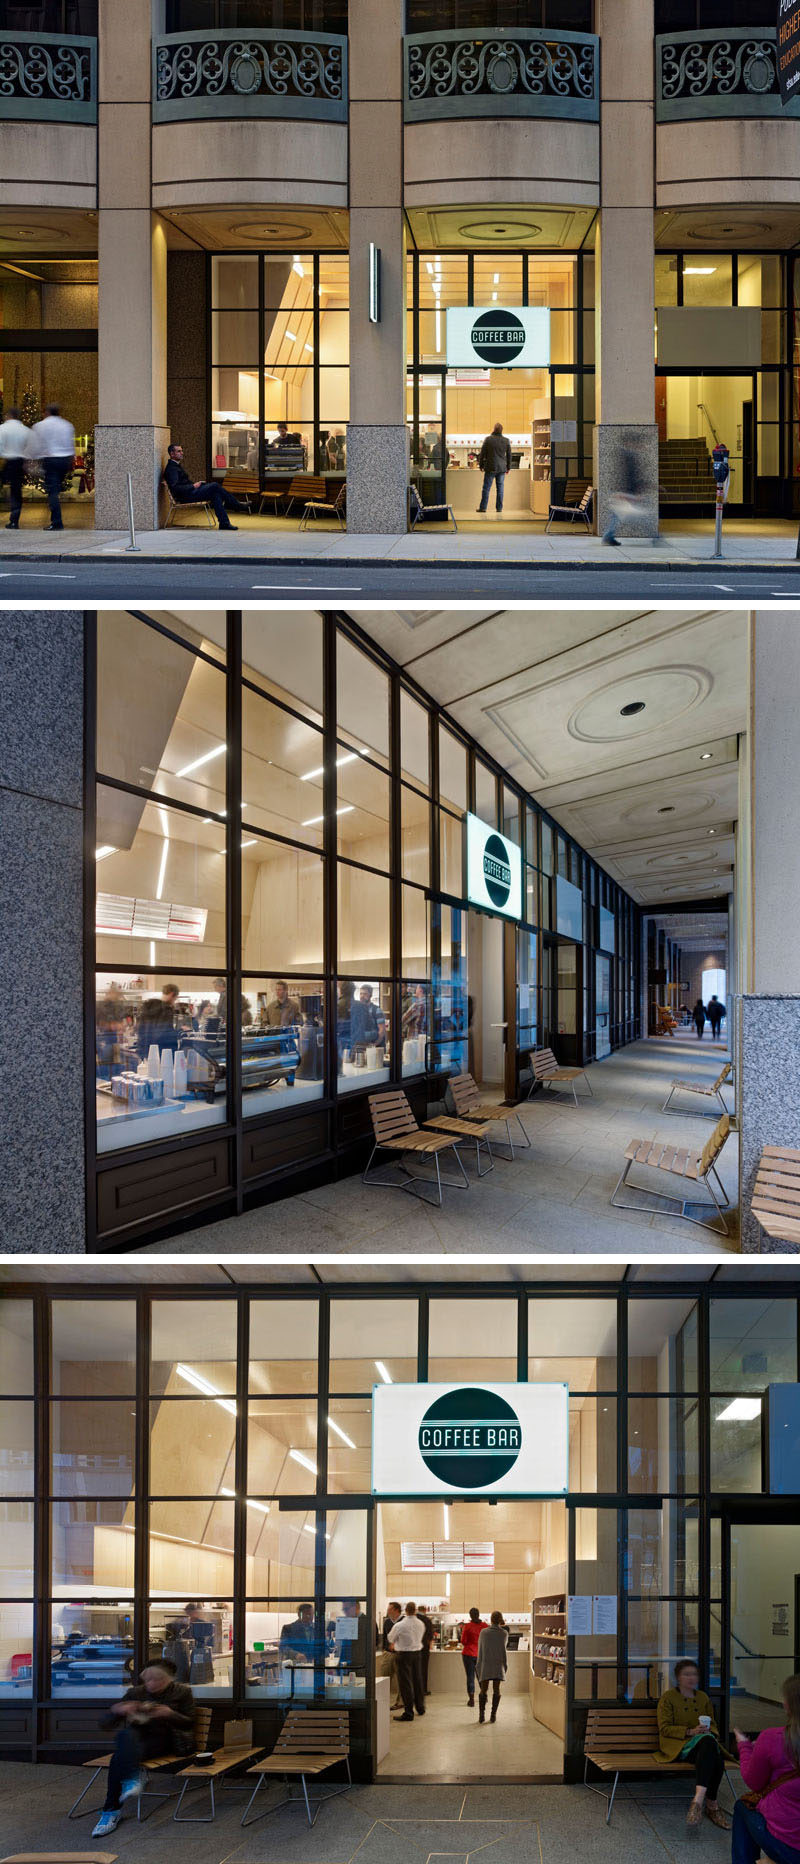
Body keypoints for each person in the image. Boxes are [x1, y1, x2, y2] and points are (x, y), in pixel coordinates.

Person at [90, 1659, 194, 1837]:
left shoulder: (182, 1692)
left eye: (158, 1679)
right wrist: (117, 1710)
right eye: (149, 1679)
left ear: (169, 1679)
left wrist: (170, 1714)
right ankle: (125, 1789)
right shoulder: (135, 1693)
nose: (152, 1684)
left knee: (119, 1757)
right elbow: (105, 1723)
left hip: (167, 1741)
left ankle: (111, 1811)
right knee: (125, 1739)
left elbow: (189, 1723)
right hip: (137, 1742)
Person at [732, 1674, 800, 1864]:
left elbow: (753, 1781)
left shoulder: (773, 1738)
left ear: (788, 1705)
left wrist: (744, 1747)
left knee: (742, 1807)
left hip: (790, 1845)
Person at [656, 1658, 730, 1830]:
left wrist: (707, 1730)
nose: (691, 1678)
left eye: (694, 1674)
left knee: (710, 1746)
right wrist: (690, 1732)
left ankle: (698, 1800)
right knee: (715, 1755)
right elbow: (664, 1728)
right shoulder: (668, 1698)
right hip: (679, 1747)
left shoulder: (703, 1697)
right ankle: (712, 1805)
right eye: (686, 1674)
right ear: (678, 1677)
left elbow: (713, 1725)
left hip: (702, 1745)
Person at [163, 442, 248, 531]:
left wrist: (196, 485)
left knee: (215, 494)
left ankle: (224, 523)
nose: (182, 453)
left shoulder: (175, 466)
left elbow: (182, 483)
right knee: (215, 486)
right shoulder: (172, 469)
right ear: (172, 454)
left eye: (181, 451)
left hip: (190, 492)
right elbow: (175, 488)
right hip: (185, 496)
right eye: (179, 451)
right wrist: (193, 486)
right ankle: (236, 505)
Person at [27, 402, 75, 531]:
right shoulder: (67, 425)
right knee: (56, 489)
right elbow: (70, 445)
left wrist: (31, 460)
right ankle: (56, 516)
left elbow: (35, 445)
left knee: (52, 492)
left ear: (46, 412)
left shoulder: (40, 426)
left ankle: (57, 522)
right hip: (65, 460)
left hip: (51, 460)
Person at [388, 1600, 426, 1722]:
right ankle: (420, 1708)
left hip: (404, 1655)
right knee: (417, 1681)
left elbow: (390, 1638)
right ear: (415, 1611)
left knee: (405, 1684)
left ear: (406, 1611)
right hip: (417, 1655)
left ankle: (408, 1712)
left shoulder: (400, 1625)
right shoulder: (421, 1623)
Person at [602, 443, 646, 546]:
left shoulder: (628, 460)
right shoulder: (630, 461)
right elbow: (630, 480)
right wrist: (632, 496)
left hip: (623, 494)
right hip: (625, 494)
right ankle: (608, 537)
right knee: (642, 516)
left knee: (616, 516)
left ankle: (608, 537)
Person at [0, 405, 29, 529]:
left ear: (8, 415)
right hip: (19, 462)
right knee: (16, 491)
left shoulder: (2, 428)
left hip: (6, 461)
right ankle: (14, 520)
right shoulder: (25, 430)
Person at [476, 1610, 507, 1724]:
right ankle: (493, 1716)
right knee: (496, 1690)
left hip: (485, 1664)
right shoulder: (504, 1633)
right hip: (498, 1665)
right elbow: (503, 1649)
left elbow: (480, 1649)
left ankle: (481, 1716)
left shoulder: (484, 1632)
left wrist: (478, 1665)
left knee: (483, 1690)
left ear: (491, 1619)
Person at [136, 983, 180, 1059]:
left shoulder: (147, 1007)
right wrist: (180, 1031)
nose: (174, 1001)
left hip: (145, 1050)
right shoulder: (166, 1010)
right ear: (172, 994)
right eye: (175, 998)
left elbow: (140, 1029)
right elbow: (164, 1033)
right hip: (161, 1052)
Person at [477, 422, 512, 515]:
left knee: (486, 488)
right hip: (501, 468)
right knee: (500, 489)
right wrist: (508, 467)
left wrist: (481, 465)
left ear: (494, 429)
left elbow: (482, 454)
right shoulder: (506, 440)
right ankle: (499, 508)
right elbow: (509, 455)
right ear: (502, 430)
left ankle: (483, 508)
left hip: (490, 467)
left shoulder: (488, 439)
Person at [460, 1607, 487, 1707]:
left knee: (470, 1677)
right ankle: (484, 1696)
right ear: (478, 1615)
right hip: (480, 1654)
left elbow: (463, 1641)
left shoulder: (467, 1626)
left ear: (470, 1615)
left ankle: (471, 1700)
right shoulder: (484, 1626)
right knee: (481, 1676)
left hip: (468, 1654)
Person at [339, 1598, 370, 1677]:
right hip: (348, 1665)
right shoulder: (347, 1622)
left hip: (361, 1665)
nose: (345, 1612)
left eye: (346, 1609)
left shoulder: (368, 1621)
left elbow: (374, 1642)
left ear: (356, 1607)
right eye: (343, 1610)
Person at [350, 984, 386, 1051]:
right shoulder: (358, 1010)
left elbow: (382, 1030)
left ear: (370, 995)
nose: (362, 996)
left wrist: (374, 1044)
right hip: (361, 1046)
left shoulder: (376, 1010)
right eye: (361, 994)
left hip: (375, 1047)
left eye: (365, 994)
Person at [381, 1601, 403, 1708]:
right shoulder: (387, 1622)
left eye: (390, 1609)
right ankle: (383, 1701)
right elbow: (384, 1637)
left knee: (401, 1679)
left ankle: (400, 1702)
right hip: (388, 1654)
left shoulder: (404, 1621)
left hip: (400, 1654)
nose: (388, 1611)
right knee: (385, 1677)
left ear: (396, 1610)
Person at [418, 1607, 435, 1697]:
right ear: (425, 1611)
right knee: (423, 1669)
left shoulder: (413, 1619)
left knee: (414, 1670)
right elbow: (430, 1635)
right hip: (424, 1648)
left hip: (414, 1648)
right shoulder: (427, 1620)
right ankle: (423, 1690)